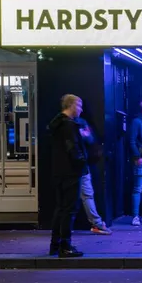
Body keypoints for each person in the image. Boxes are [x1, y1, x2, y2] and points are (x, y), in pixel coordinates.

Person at [48, 94, 88, 258]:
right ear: (72, 105)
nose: (81, 109)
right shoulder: (69, 126)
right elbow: (73, 149)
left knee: (60, 208)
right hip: (70, 171)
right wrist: (82, 162)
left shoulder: (57, 124)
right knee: (69, 209)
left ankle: (55, 244)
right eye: (79, 106)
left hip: (58, 171)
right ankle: (66, 245)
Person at [73, 115, 112, 235]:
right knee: (81, 196)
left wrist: (85, 135)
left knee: (86, 194)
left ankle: (97, 223)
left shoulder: (81, 122)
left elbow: (90, 139)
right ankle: (96, 223)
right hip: (75, 165)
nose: (81, 109)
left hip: (81, 165)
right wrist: (83, 135)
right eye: (78, 106)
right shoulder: (67, 124)